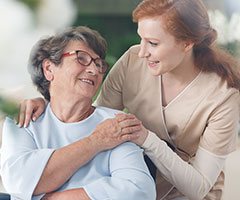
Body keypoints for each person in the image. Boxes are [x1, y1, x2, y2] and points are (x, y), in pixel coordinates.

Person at [16, 0, 240, 199]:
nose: (142, 52)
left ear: (187, 43)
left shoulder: (223, 97)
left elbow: (198, 188)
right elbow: (93, 121)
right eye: (141, 39)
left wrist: (146, 138)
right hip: (131, 179)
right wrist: (48, 101)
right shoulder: (133, 61)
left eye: (152, 43)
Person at [0, 26, 156, 200]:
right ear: (49, 69)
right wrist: (96, 141)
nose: (94, 70)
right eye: (81, 59)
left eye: (99, 64)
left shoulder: (115, 124)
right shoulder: (24, 119)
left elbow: (140, 191)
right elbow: (18, 181)